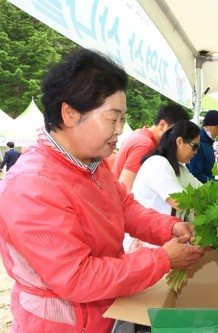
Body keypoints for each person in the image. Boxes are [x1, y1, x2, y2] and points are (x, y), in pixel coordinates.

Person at [0, 48, 205, 333]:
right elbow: (78, 277)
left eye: (123, 119)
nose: (120, 129)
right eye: (113, 118)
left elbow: (125, 208)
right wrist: (162, 259)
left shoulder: (93, 163)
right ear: (70, 113)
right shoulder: (32, 185)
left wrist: (169, 228)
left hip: (103, 313)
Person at [124, 120, 203, 251]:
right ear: (179, 142)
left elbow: (202, 189)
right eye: (194, 146)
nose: (195, 152)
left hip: (163, 241)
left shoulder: (180, 169)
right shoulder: (157, 163)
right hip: (144, 244)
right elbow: (179, 201)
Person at [112, 103, 189, 192]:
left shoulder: (139, 133)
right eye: (175, 131)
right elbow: (125, 188)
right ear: (162, 125)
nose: (176, 138)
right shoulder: (146, 145)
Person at [187, 109, 218, 183]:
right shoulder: (198, 143)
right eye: (216, 127)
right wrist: (217, 183)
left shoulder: (208, 143)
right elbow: (195, 174)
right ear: (206, 126)